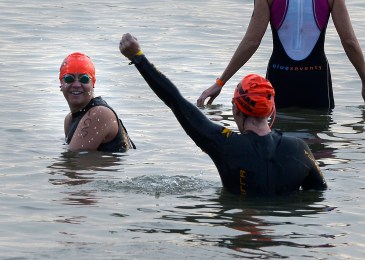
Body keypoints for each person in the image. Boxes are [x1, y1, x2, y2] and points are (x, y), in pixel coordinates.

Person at [120, 33, 327, 196]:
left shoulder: (225, 145)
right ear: (271, 110)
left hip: (240, 224)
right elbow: (318, 192)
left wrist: (139, 58)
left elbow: (176, 101)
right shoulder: (299, 148)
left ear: (236, 109)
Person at [197, 0, 365, 109]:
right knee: (317, 153)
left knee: (276, 148)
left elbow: (251, 42)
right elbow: (349, 41)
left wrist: (220, 82)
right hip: (316, 80)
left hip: (279, 78)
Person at [59, 52, 135, 152]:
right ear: (61, 83)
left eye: (84, 79)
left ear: (93, 83)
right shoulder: (69, 120)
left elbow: (73, 160)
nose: (76, 84)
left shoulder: (98, 114)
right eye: (69, 78)